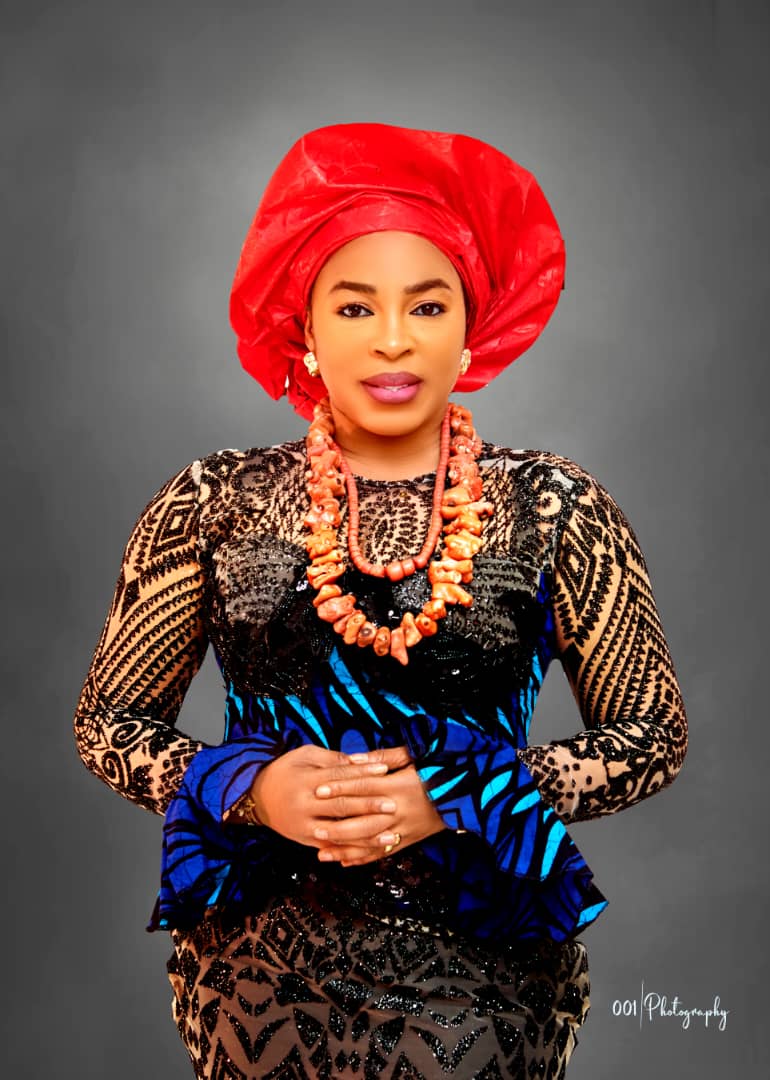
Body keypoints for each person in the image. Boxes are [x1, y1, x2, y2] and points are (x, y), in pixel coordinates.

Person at [73, 122, 688, 1079]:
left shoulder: (556, 506)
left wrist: (463, 793)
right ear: (305, 328)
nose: (393, 339)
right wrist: (252, 789)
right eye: (355, 307)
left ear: (470, 327)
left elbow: (651, 735)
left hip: (489, 957)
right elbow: (108, 721)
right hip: (257, 965)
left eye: (427, 305)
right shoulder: (212, 502)